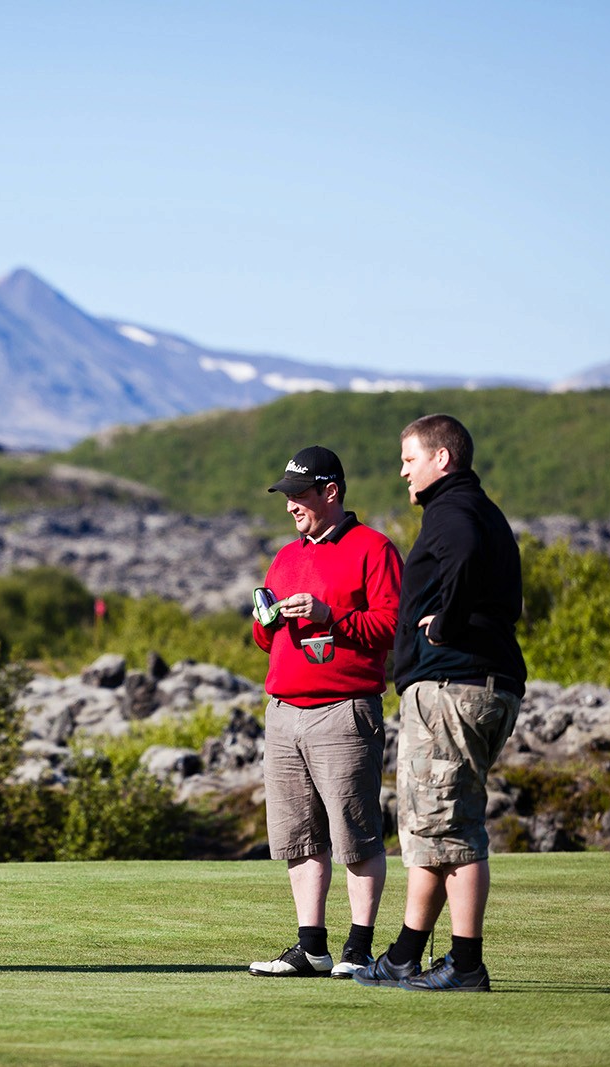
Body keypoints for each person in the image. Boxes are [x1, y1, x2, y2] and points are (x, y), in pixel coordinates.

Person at [354, 414, 525, 993]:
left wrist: (444, 625)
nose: (402, 470)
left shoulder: (455, 515)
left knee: (453, 830)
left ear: (441, 460)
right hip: (483, 685)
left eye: (409, 459)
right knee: (433, 826)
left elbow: (467, 555)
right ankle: (404, 956)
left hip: (454, 688)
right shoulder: (477, 509)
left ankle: (466, 963)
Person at [247, 446, 401, 979]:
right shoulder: (287, 557)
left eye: (298, 494)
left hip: (345, 710)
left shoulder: (374, 549)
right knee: (299, 837)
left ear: (330, 492)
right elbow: (265, 641)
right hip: (284, 710)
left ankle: (359, 948)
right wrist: (265, 619)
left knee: (355, 835)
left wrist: (330, 615)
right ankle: (311, 947)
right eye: (286, 495)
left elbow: (391, 626)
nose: (290, 505)